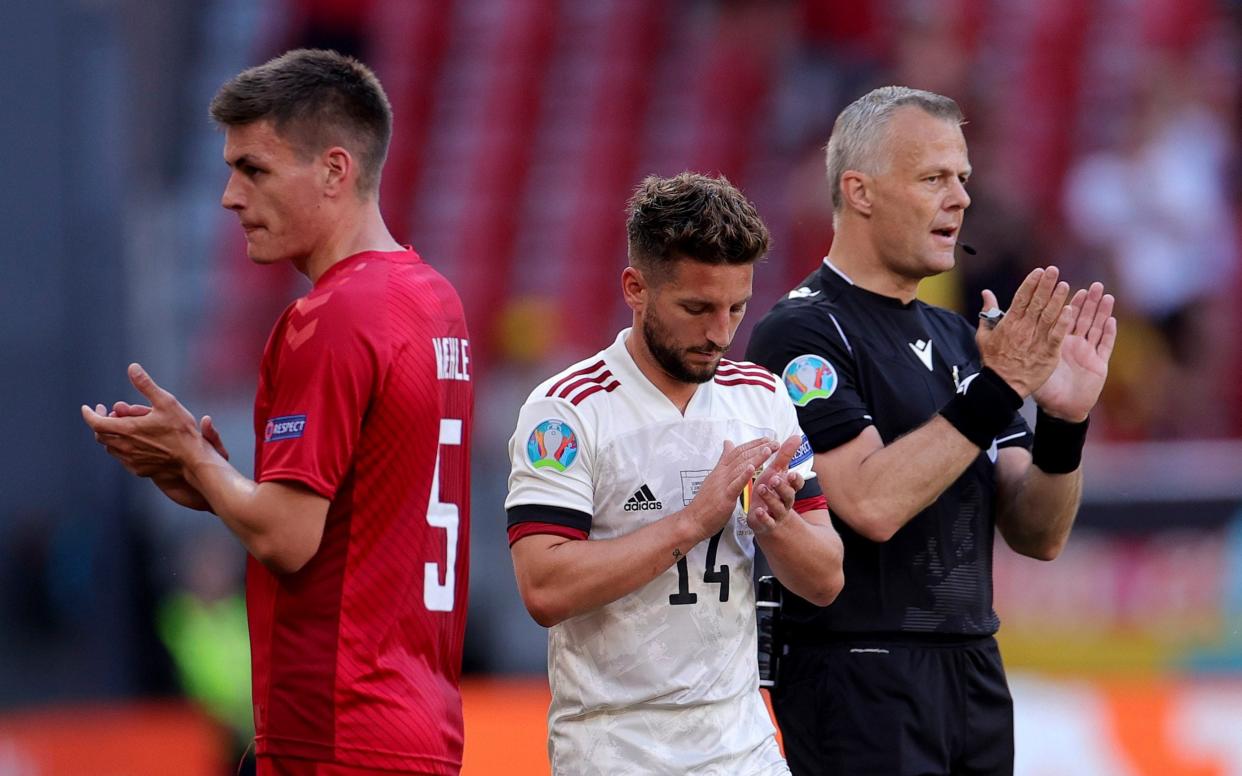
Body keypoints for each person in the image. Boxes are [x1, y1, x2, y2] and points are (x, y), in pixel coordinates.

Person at [80, 49, 473, 776]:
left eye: (253, 169)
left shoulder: (333, 316)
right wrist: (211, 485)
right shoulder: (433, 299)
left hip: (337, 730)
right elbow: (365, 513)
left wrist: (197, 456)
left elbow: (289, 539)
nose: (229, 196)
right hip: (417, 725)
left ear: (334, 170)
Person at [745, 86, 1117, 775]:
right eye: (934, 178)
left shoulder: (958, 337)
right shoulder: (803, 332)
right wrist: (1000, 386)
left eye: (963, 179)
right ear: (859, 191)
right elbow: (869, 505)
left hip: (972, 667)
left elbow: (1040, 535)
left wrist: (1064, 421)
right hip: (859, 672)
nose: (961, 198)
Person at [505, 172, 845, 776]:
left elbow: (825, 579)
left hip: (743, 744)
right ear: (635, 288)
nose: (720, 332)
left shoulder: (763, 399)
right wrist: (693, 521)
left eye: (736, 307)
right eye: (696, 307)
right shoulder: (565, 411)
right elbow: (545, 588)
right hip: (616, 748)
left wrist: (774, 523)